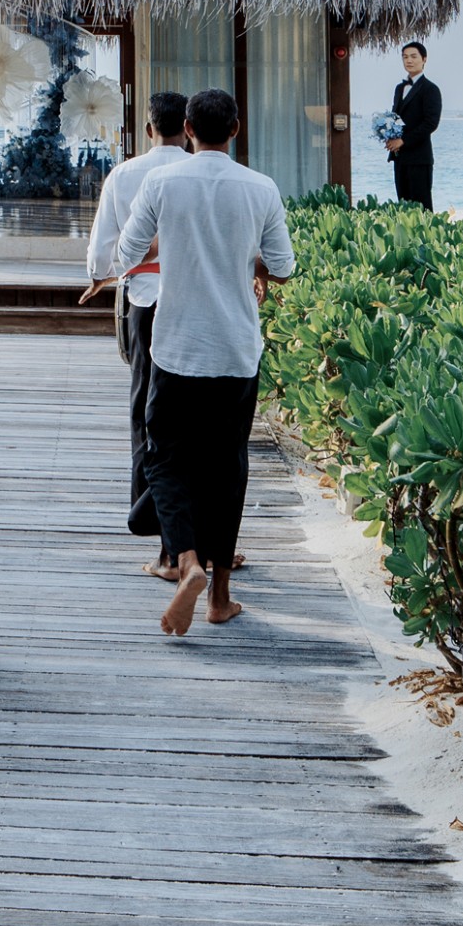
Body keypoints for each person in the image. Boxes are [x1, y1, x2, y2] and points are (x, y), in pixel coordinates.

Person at [117, 87, 295, 639]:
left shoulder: (161, 182)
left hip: (176, 347)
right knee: (227, 467)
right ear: (235, 129)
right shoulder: (261, 187)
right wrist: (249, 261)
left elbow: (125, 256)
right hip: (235, 350)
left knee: (165, 458)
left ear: (187, 130)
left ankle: (186, 560)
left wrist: (170, 246)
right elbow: (284, 267)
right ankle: (218, 596)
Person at [81, 91, 192, 578]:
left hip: (145, 303)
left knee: (147, 414)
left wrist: (102, 275)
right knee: (199, 420)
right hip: (197, 302)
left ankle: (163, 538)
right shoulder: (201, 174)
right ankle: (204, 539)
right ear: (187, 128)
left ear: (149, 129)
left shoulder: (125, 175)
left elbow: (101, 254)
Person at [386, 40, 441, 209]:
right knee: (403, 207)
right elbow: (396, 116)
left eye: (413, 56)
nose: (409, 60)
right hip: (400, 157)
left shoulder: (430, 89)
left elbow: (430, 123)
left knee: (422, 207)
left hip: (419, 158)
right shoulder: (399, 88)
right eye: (405, 57)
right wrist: (389, 135)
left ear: (424, 59)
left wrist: (403, 141)